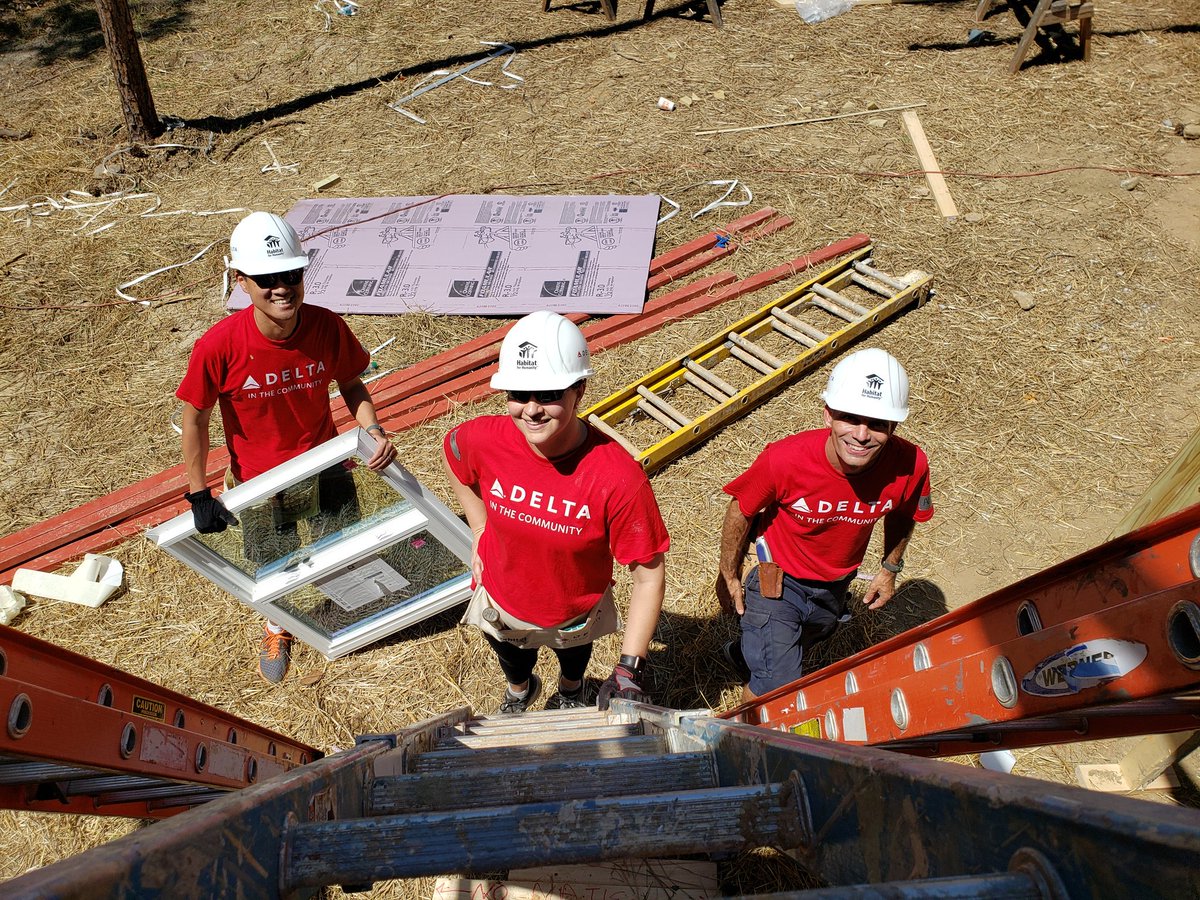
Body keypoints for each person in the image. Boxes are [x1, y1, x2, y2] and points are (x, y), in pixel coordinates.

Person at [177, 211, 396, 683]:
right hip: (259, 481)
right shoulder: (219, 347)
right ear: (241, 281)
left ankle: (347, 603)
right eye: (266, 279)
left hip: (325, 462)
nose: (282, 288)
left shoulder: (326, 327)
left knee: (340, 539)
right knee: (272, 560)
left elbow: (352, 384)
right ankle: (278, 625)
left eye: (291, 275)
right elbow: (194, 417)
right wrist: (198, 493)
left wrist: (373, 430)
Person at [442, 310, 669, 713]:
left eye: (548, 394)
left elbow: (649, 576)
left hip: (574, 613)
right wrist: (479, 528)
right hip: (504, 599)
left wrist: (629, 669)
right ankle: (520, 690)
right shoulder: (485, 439)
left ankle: (569, 690)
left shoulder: (616, 477)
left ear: (578, 391)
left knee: (574, 659)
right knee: (513, 659)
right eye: (518, 394)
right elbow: (454, 451)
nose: (531, 410)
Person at [716, 347, 934, 702]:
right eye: (850, 418)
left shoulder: (910, 465)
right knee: (778, 690)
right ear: (828, 415)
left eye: (878, 424)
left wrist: (890, 567)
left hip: (835, 584)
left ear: (894, 426)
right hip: (778, 582)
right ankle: (751, 748)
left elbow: (904, 511)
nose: (862, 435)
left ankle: (744, 654)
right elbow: (740, 509)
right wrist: (729, 573)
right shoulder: (785, 459)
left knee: (809, 636)